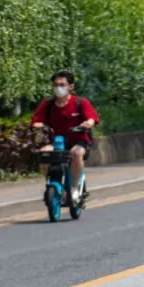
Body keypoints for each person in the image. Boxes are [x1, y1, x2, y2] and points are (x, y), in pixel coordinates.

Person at [32, 71, 99, 204]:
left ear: (71, 87)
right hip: (56, 142)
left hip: (78, 141)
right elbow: (36, 121)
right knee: (44, 154)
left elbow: (92, 118)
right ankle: (51, 183)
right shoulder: (47, 105)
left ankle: (74, 188)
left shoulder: (80, 102)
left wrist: (88, 123)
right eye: (56, 85)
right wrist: (38, 125)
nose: (58, 88)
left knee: (76, 153)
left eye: (62, 84)